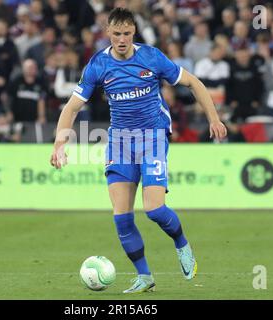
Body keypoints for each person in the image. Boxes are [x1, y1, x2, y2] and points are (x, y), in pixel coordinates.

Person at [50, 8, 227, 294]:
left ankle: (182, 244)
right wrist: (59, 144)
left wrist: (214, 118)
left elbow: (193, 83)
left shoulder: (152, 57)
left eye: (127, 34)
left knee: (155, 210)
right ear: (108, 32)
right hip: (120, 140)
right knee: (122, 217)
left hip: (153, 136)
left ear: (134, 32)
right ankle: (145, 276)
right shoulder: (98, 65)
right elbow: (71, 108)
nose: (122, 39)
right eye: (117, 33)